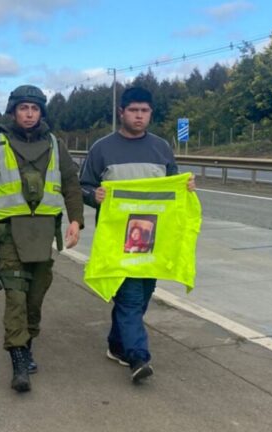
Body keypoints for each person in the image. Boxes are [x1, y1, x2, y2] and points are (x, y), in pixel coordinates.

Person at [0, 84, 84, 392]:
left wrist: (76, 221)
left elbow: (71, 185)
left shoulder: (56, 145)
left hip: (45, 236)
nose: (29, 114)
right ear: (13, 111)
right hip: (10, 237)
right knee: (16, 298)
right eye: (23, 108)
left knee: (35, 299)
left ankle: (26, 342)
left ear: (41, 113)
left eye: (34, 109)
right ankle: (18, 361)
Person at [80, 86, 196, 383]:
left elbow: (174, 186)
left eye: (145, 111)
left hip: (154, 240)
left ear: (151, 113)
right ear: (122, 112)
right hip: (120, 241)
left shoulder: (161, 148)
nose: (139, 116)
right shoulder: (102, 148)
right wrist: (95, 195)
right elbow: (83, 186)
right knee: (130, 298)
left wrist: (187, 188)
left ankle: (117, 345)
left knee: (144, 295)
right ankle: (138, 357)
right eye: (134, 110)